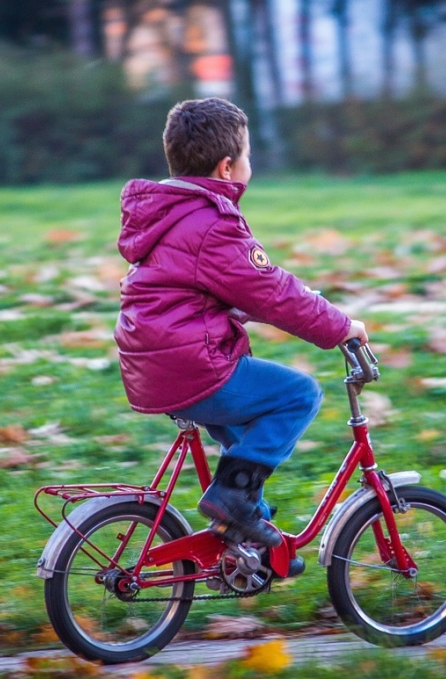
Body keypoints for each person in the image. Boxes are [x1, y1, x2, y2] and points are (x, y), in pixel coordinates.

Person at [113, 98, 368, 554]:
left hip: (153, 365)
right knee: (298, 394)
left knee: (245, 437)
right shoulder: (213, 224)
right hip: (195, 366)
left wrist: (236, 309)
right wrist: (341, 326)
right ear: (227, 167)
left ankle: (250, 537)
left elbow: (194, 287)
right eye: (248, 156)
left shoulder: (166, 215)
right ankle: (233, 503)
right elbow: (272, 292)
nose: (251, 165)